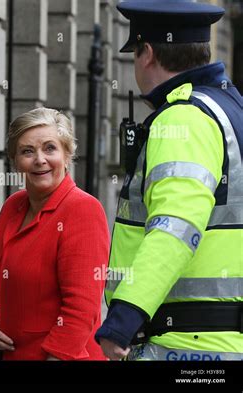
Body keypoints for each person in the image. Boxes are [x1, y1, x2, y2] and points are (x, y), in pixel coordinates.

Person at [95, 0, 242, 361]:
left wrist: (123, 318)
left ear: (146, 54)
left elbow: (176, 224)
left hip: (187, 345)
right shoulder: (230, 107)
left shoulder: (185, 118)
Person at [0, 108, 109, 360]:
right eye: (27, 151)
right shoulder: (13, 205)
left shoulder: (83, 209)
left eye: (50, 148)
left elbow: (81, 309)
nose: (39, 159)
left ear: (67, 155)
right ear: (15, 160)